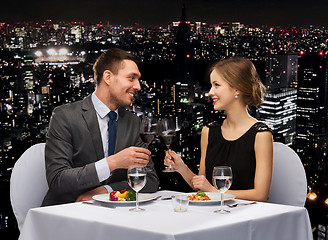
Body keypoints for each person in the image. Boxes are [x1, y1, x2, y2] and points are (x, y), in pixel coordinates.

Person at [42, 48, 159, 206]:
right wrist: (113, 163)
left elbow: (150, 180)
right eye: (131, 78)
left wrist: (107, 190)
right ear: (108, 77)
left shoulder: (133, 122)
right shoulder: (65, 116)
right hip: (68, 213)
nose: (138, 86)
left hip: (113, 215)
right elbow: (58, 180)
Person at [165, 57, 273, 202]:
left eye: (216, 85)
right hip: (212, 214)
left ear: (237, 88)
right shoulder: (208, 131)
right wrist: (181, 167)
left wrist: (213, 191)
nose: (210, 92)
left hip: (245, 218)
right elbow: (201, 187)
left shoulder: (261, 134)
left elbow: (260, 195)